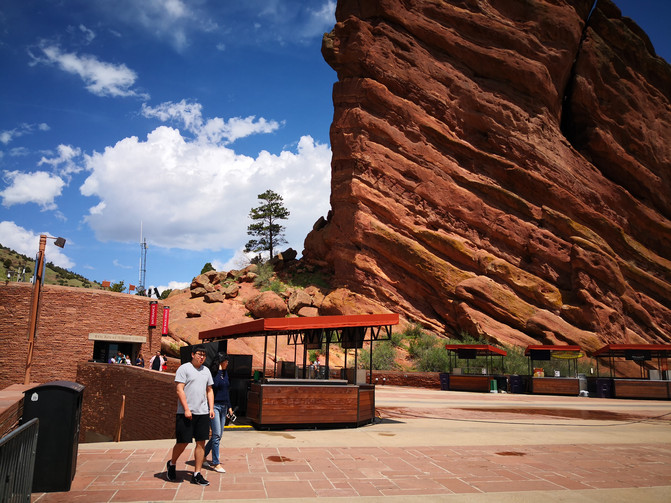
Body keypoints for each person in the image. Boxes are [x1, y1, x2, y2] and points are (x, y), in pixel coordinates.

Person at [166, 344, 214, 486]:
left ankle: (197, 474)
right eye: (199, 354)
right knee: (183, 442)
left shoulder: (206, 371)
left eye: (204, 355)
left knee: (201, 443)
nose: (202, 357)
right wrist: (186, 409)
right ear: (193, 355)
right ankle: (172, 463)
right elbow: (179, 389)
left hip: (203, 412)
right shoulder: (184, 368)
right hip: (185, 413)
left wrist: (211, 408)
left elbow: (209, 390)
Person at [203, 353, 233, 473]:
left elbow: (226, 391)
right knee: (215, 435)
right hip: (214, 406)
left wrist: (230, 407)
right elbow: (214, 385)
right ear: (221, 362)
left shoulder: (226, 374)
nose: (228, 363)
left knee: (219, 435)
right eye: (226, 361)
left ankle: (202, 455)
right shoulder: (214, 374)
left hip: (224, 406)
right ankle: (216, 463)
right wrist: (219, 370)